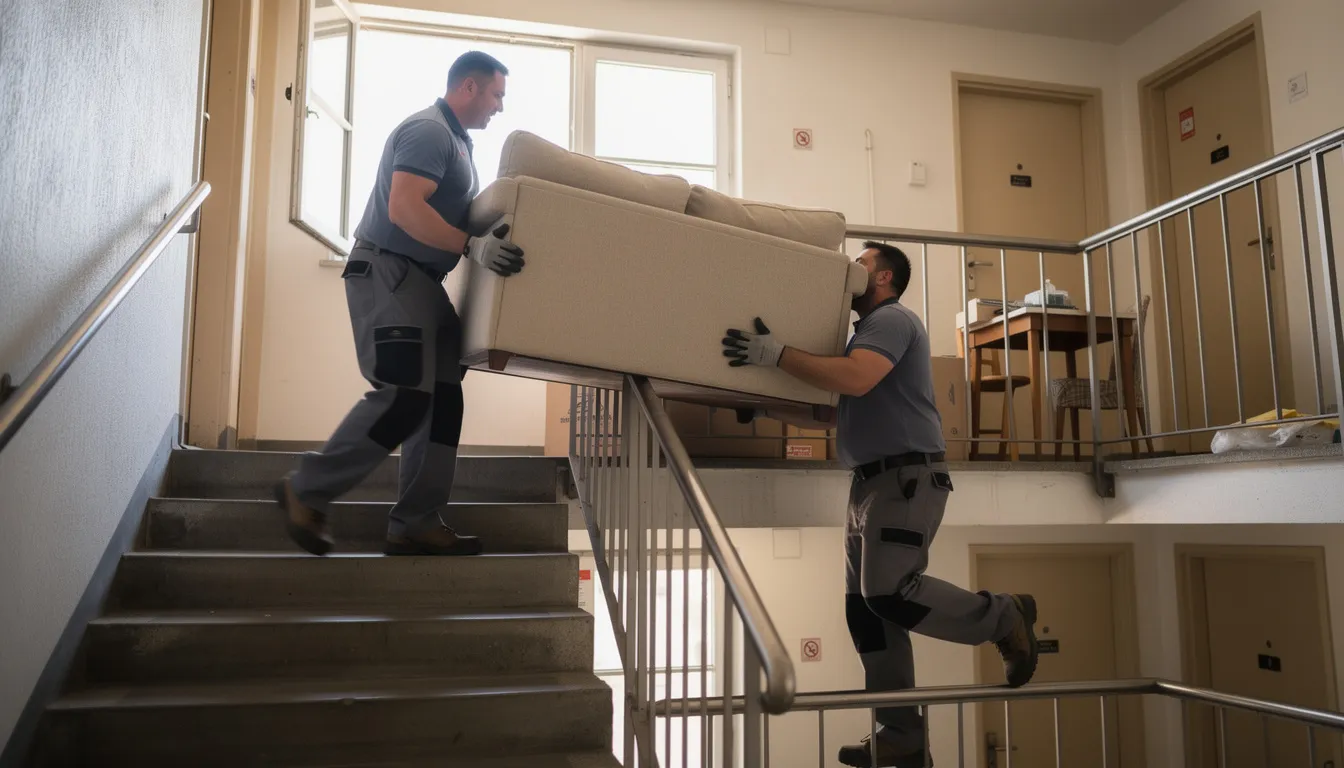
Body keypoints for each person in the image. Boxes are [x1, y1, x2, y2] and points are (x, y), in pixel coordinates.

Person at [721, 242, 1040, 768]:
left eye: (862, 262)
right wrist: (763, 408)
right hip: (869, 486)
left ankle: (1004, 616)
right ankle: (901, 734)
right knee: (865, 611)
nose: (852, 268)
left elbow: (855, 378)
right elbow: (835, 413)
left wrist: (775, 354)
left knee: (888, 592)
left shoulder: (891, 320)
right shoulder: (862, 338)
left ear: (885, 276)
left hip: (905, 479)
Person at [274, 51, 525, 558]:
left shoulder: (457, 142)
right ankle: (306, 490)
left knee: (443, 401)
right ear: (469, 87)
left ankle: (416, 522)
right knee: (405, 395)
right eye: (497, 94)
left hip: (424, 282)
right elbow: (404, 207)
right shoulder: (430, 131)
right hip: (389, 272)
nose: (500, 106)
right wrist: (471, 246)